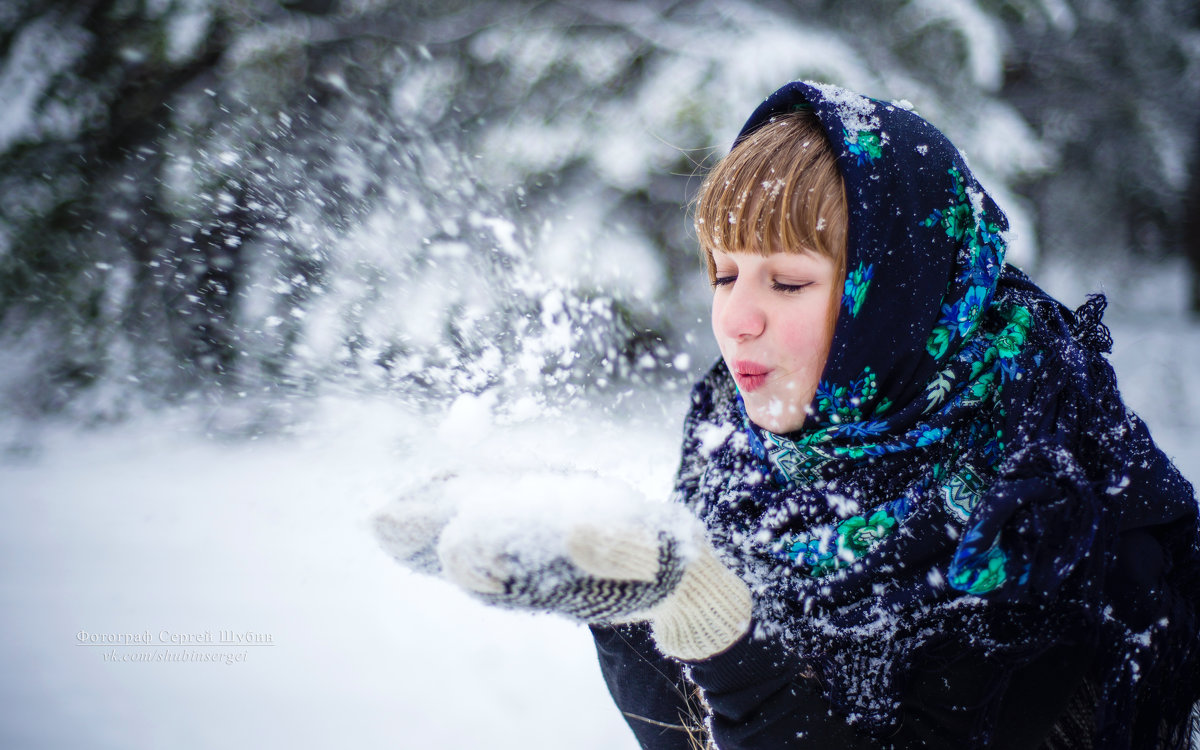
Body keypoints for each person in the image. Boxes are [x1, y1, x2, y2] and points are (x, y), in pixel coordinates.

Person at [374, 81, 1200, 749]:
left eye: (789, 282)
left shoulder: (1048, 501)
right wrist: (625, 594)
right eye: (724, 274)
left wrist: (716, 628)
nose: (736, 319)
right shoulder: (738, 438)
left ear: (900, 294)